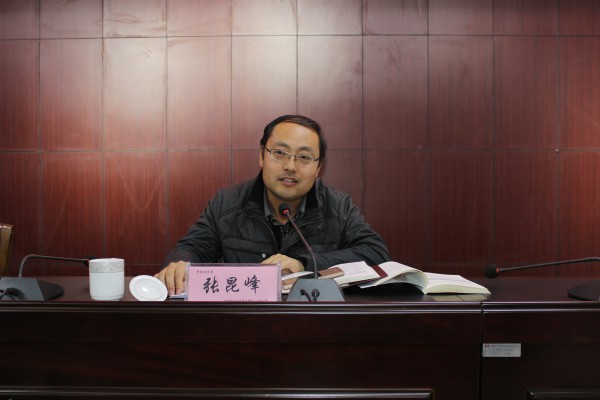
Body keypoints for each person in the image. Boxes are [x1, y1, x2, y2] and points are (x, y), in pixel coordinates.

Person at [156, 115, 391, 295]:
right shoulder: (227, 203)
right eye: (280, 153)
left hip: (312, 322)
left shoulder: (338, 206)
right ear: (262, 155)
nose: (290, 166)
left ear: (319, 167)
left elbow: (376, 253)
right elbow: (193, 247)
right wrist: (179, 264)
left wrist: (304, 264)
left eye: (304, 157)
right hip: (244, 323)